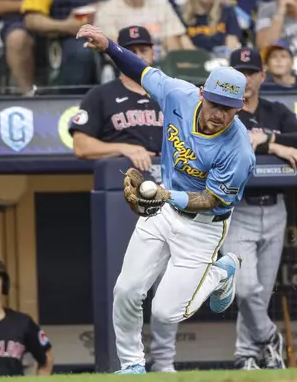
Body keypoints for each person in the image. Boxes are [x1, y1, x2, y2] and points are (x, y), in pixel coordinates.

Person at [76, 24, 255, 374]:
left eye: (228, 108)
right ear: (202, 92)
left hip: (204, 227)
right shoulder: (179, 94)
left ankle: (221, 272)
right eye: (215, 103)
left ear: (239, 108)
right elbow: (140, 70)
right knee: (126, 290)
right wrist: (107, 45)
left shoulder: (239, 150)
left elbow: (213, 200)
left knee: (165, 312)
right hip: (162, 211)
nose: (219, 113)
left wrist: (166, 194)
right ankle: (132, 365)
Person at [222, 47, 297, 370]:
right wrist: (274, 145)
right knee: (245, 289)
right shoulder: (222, 110)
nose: (245, 79)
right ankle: (268, 338)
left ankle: (247, 355)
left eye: (251, 72)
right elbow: (232, 142)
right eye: (239, 72)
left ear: (262, 76)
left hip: (276, 208)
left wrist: (266, 139)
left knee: (260, 294)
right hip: (238, 209)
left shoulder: (275, 110)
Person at [70, 25, 163, 172]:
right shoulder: (99, 95)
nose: (137, 56)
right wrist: (123, 148)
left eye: (143, 50)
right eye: (131, 52)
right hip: (121, 177)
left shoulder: (170, 92)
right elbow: (81, 146)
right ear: (118, 57)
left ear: (153, 53)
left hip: (173, 179)